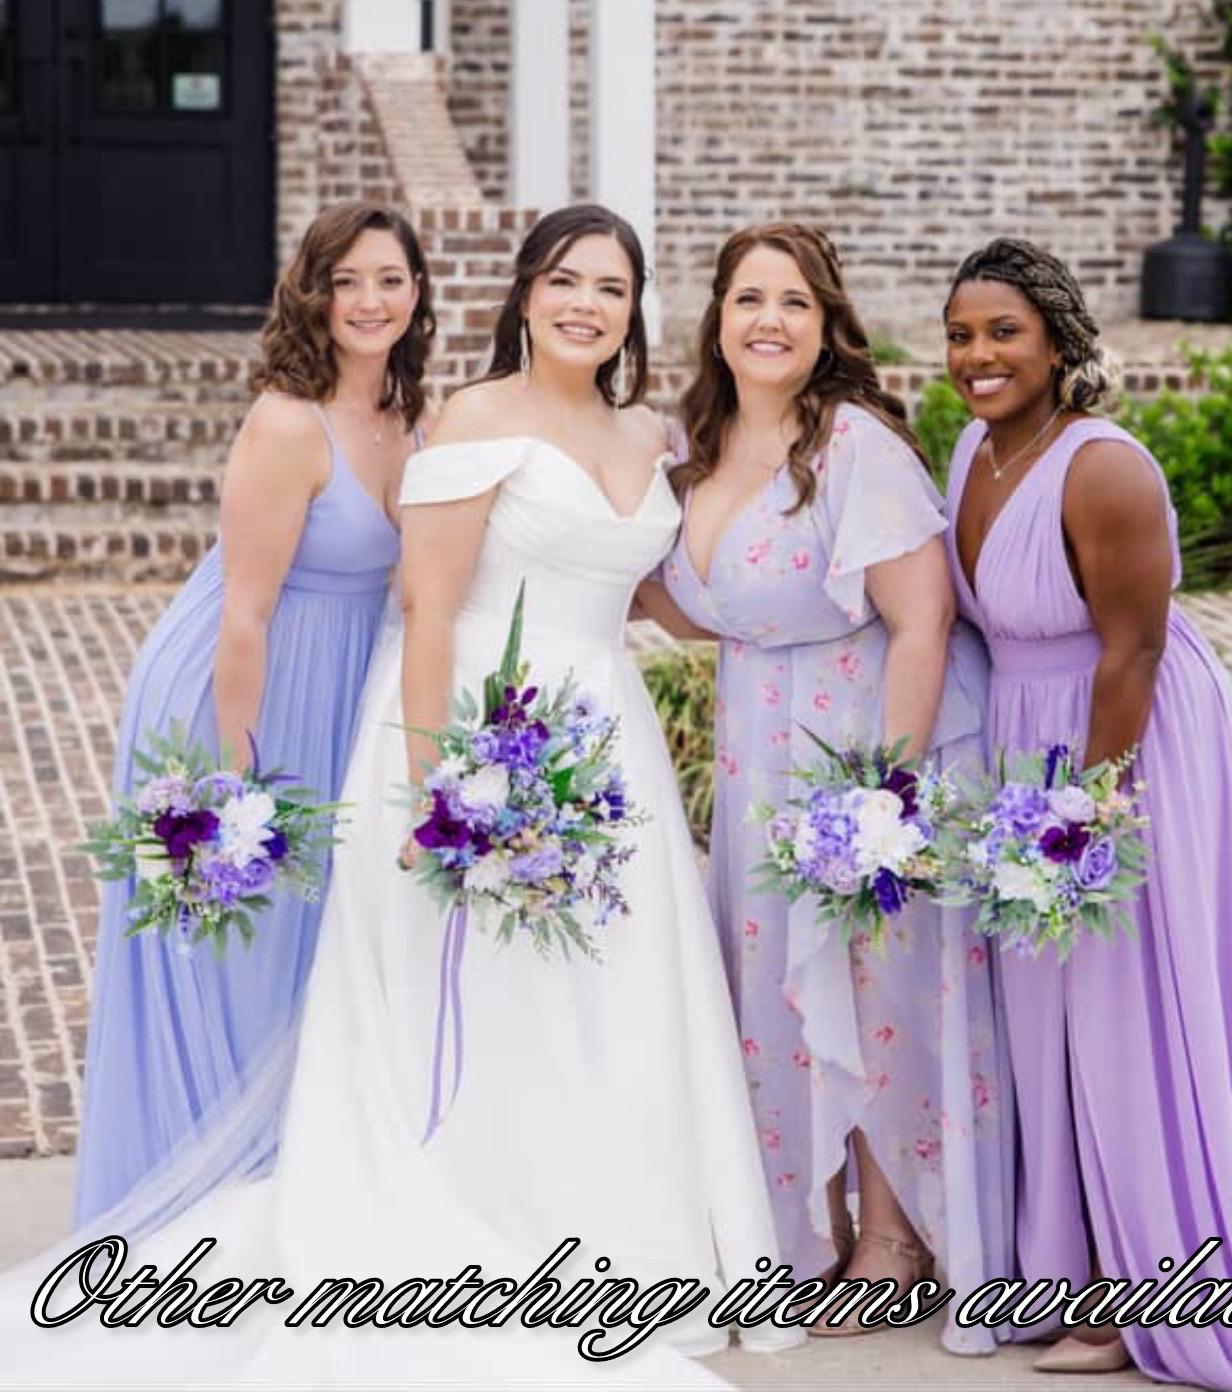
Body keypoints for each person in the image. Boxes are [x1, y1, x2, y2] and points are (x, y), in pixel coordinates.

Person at [0, 205, 789, 1392]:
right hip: (469, 724)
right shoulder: (465, 420)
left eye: (613, 287)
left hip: (601, 732)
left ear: (636, 309)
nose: (587, 302)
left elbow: (650, 588)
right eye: (565, 279)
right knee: (435, 987)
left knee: (611, 989)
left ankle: (626, 1234)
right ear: (523, 293)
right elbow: (421, 605)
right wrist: (437, 779)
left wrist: (777, 638)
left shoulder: (641, 428)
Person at [942, 236, 1232, 1388]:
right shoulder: (974, 450)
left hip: (1120, 741)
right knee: (1045, 1021)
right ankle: (1068, 1262)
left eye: (1002, 332)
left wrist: (1084, 817)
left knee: (1124, 1017)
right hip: (1026, 747)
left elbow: (1128, 650)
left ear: (1058, 339)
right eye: (961, 334)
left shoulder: (1102, 465)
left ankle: (1150, 1288)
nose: (976, 354)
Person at [642, 222, 1012, 1352]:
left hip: (863, 742)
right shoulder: (692, 448)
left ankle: (895, 1237)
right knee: (781, 996)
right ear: (716, 316)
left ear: (825, 323)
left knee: (873, 981)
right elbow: (685, 601)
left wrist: (884, 801)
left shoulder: (856, 446)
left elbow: (921, 620)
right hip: (758, 744)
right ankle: (814, 1221)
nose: (768, 319)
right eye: (748, 297)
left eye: (793, 302)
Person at [74, 199, 431, 1226]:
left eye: (390, 278)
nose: (369, 300)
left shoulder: (409, 416)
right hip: (238, 692)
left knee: (307, 952)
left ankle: (283, 1191)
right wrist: (236, 790)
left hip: (338, 688)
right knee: (236, 943)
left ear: (417, 293)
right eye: (348, 279)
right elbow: (242, 610)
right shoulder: (288, 419)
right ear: (312, 294)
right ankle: (189, 1208)